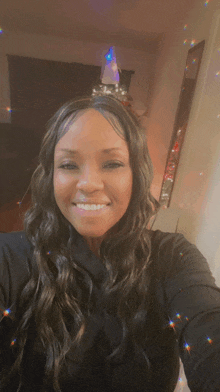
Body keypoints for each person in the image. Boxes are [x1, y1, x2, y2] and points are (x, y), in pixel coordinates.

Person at [0, 95, 220, 392]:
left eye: (112, 163)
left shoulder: (173, 258)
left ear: (136, 176)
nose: (89, 183)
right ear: (51, 176)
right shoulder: (9, 257)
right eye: (68, 164)